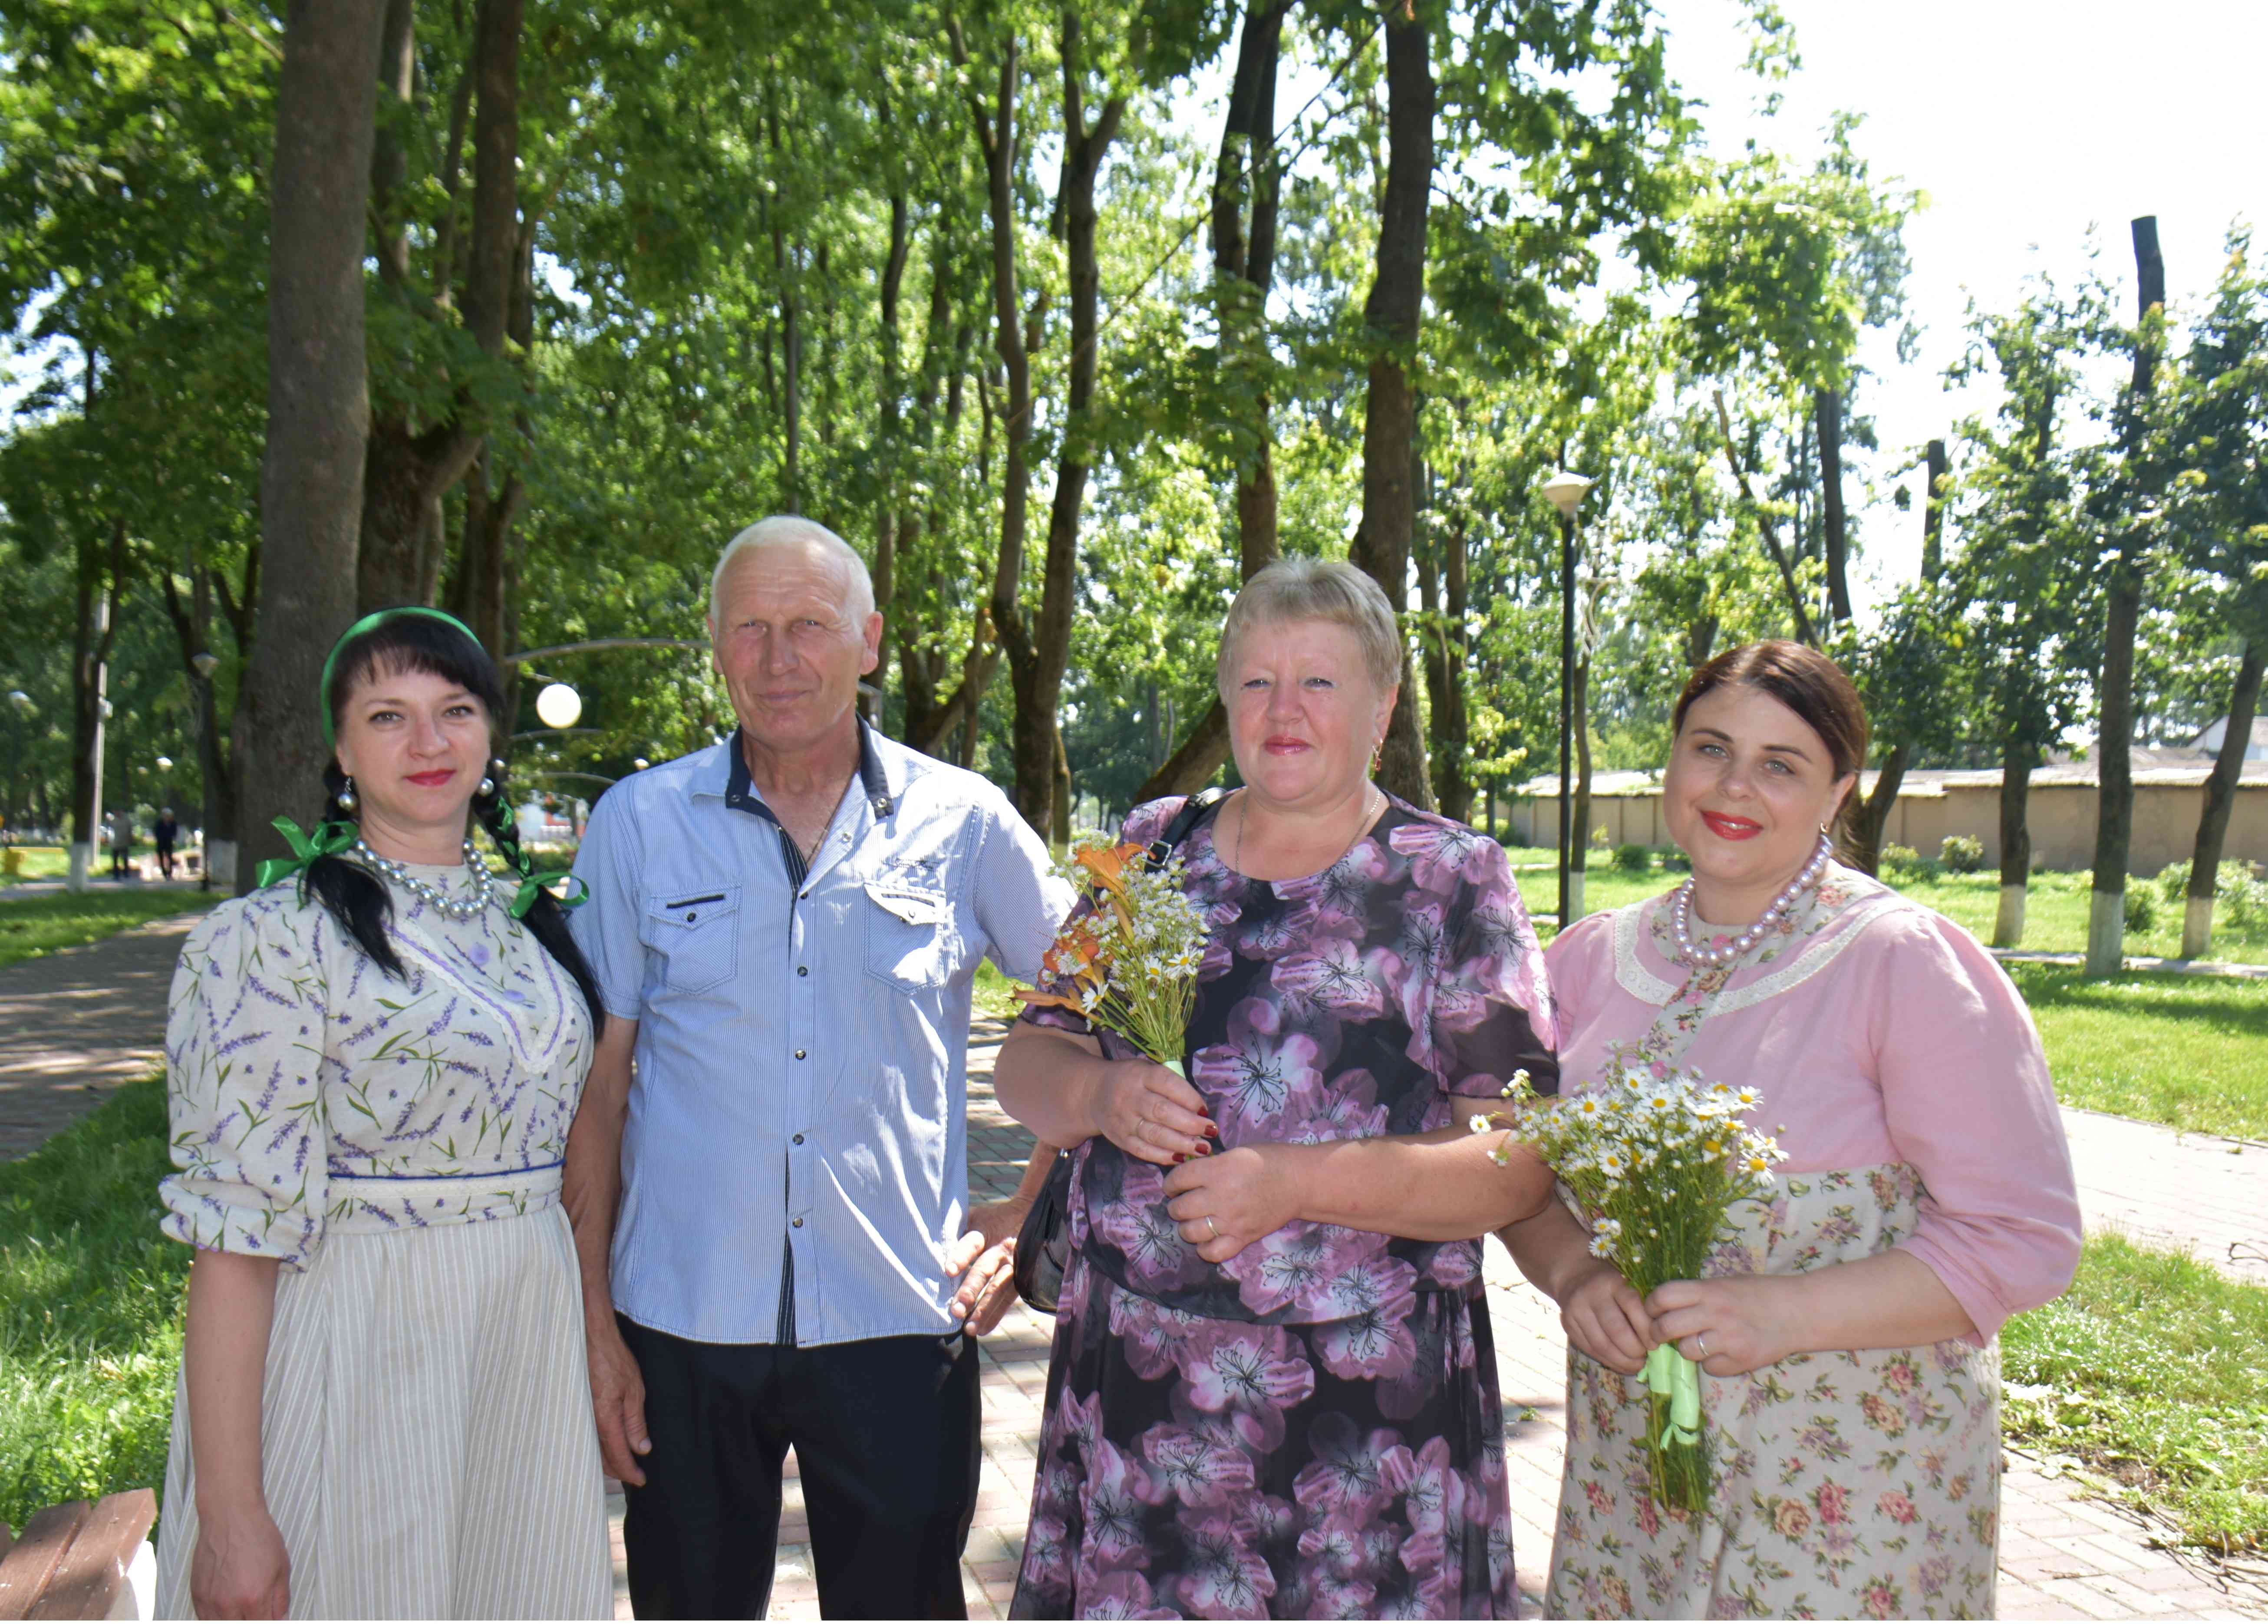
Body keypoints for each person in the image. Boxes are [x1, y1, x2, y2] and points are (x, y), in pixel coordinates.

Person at [995, 557, 1561, 1620]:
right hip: (1140, 1397)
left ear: (1382, 705)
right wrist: (1100, 1096)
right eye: (1256, 681)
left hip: (1364, 1419)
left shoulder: (1450, 879)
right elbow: (1026, 1061)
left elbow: (1515, 1162)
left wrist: (1294, 1182)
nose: (1283, 709)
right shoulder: (1150, 852)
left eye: (1319, 682)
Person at [1499, 640, 2082, 1621]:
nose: (1734, 786)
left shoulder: (1900, 960)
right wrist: (1575, 1274)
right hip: (1634, 1480)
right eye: (1709, 748)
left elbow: (2022, 1237)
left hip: (1851, 1481)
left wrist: (1780, 1314)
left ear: (1837, 791)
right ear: (1670, 759)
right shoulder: (1588, 961)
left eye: (1779, 764)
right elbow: (1515, 1179)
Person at [564, 516, 1075, 1620]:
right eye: (749, 627)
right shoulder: (637, 824)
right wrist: (595, 1324)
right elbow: (597, 1093)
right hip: (681, 1321)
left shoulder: (964, 821)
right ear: (715, 643)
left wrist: (1026, 1213)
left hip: (897, 1313)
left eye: (808, 624)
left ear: (869, 641)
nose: (777, 657)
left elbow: (1101, 1010)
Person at [155, 607, 614, 1619]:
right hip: (360, 1353)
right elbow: (234, 1242)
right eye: (388, 715)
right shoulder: (271, 941)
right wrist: (231, 1512)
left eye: (455, 709)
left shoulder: (531, 928)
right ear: (340, 748)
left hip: (517, 1364)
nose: (428, 741)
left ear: (491, 733)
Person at [154, 807, 181, 880]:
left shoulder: (173, 823)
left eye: (168, 816)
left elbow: (174, 832)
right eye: (165, 815)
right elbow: (156, 832)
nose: (167, 817)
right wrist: (160, 837)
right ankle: (164, 872)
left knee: (170, 857)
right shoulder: (159, 823)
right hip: (161, 843)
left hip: (169, 843)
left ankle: (170, 872)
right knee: (161, 858)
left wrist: (173, 838)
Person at [108, 807, 132, 879]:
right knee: (115, 860)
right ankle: (116, 874)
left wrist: (130, 839)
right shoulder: (113, 820)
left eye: (117, 811)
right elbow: (110, 830)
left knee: (125, 859)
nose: (116, 813)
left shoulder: (127, 820)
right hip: (116, 843)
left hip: (124, 842)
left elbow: (130, 830)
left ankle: (126, 873)